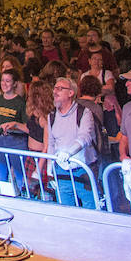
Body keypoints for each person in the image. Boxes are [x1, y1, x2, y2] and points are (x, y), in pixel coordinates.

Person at [44, 76, 98, 207]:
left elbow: (85, 137)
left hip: (82, 169)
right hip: (61, 171)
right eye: (55, 88)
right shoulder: (52, 115)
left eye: (60, 88)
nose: (55, 91)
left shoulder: (84, 112)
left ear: (70, 93)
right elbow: (51, 142)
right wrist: (50, 168)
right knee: (66, 209)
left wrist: (69, 153)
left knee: (90, 209)